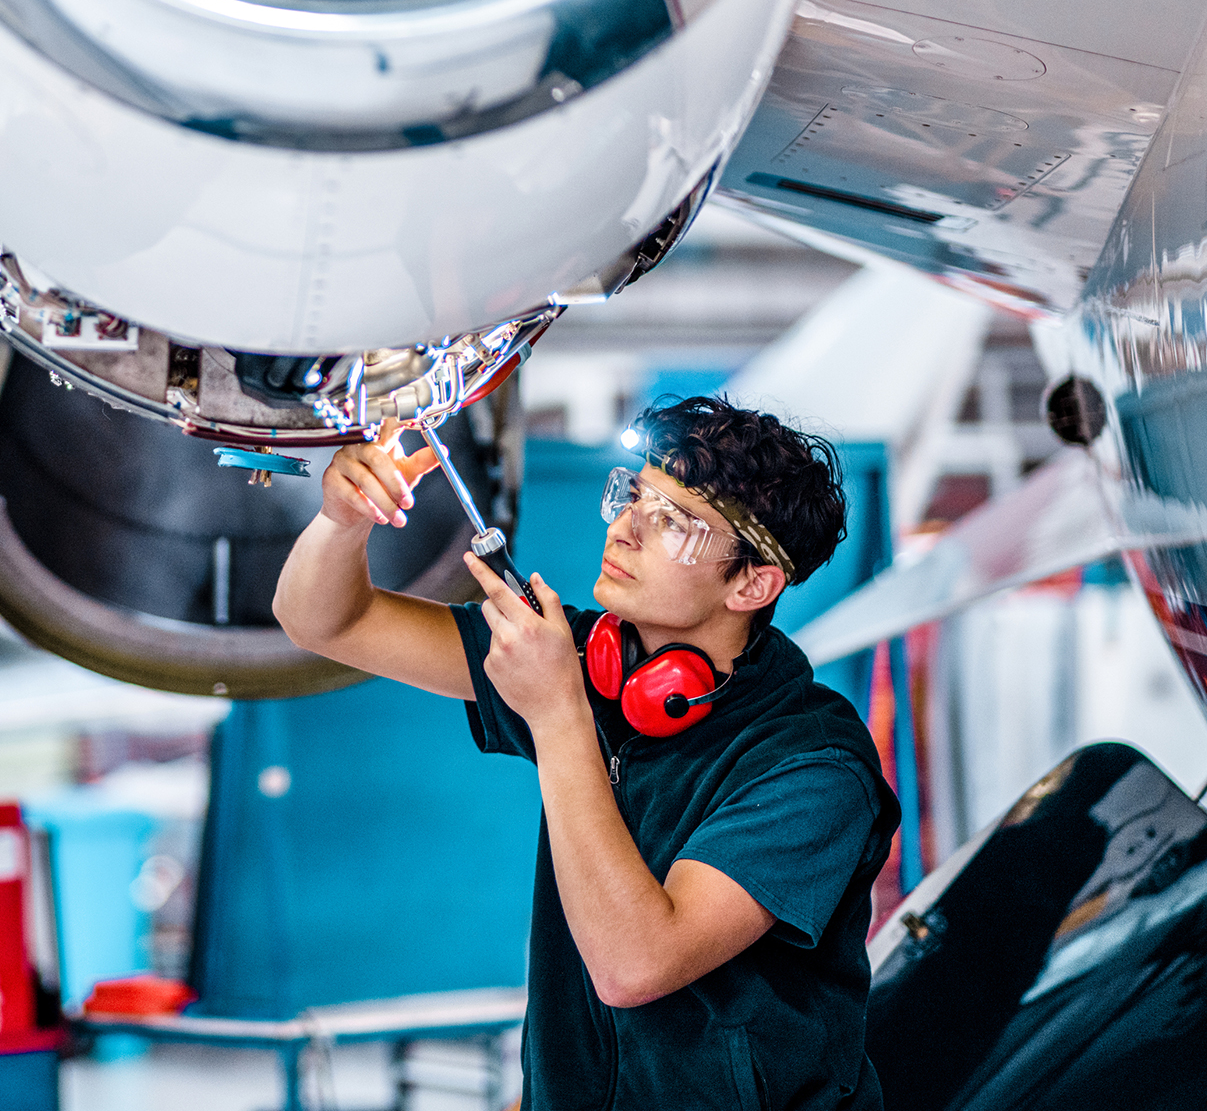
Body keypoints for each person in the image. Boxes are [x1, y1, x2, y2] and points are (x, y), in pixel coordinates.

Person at [274, 396, 901, 1110]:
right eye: (634, 496)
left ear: (752, 584)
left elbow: (635, 965)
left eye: (674, 523)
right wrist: (341, 522)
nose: (626, 528)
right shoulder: (583, 661)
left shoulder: (813, 767)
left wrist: (558, 711)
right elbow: (327, 620)